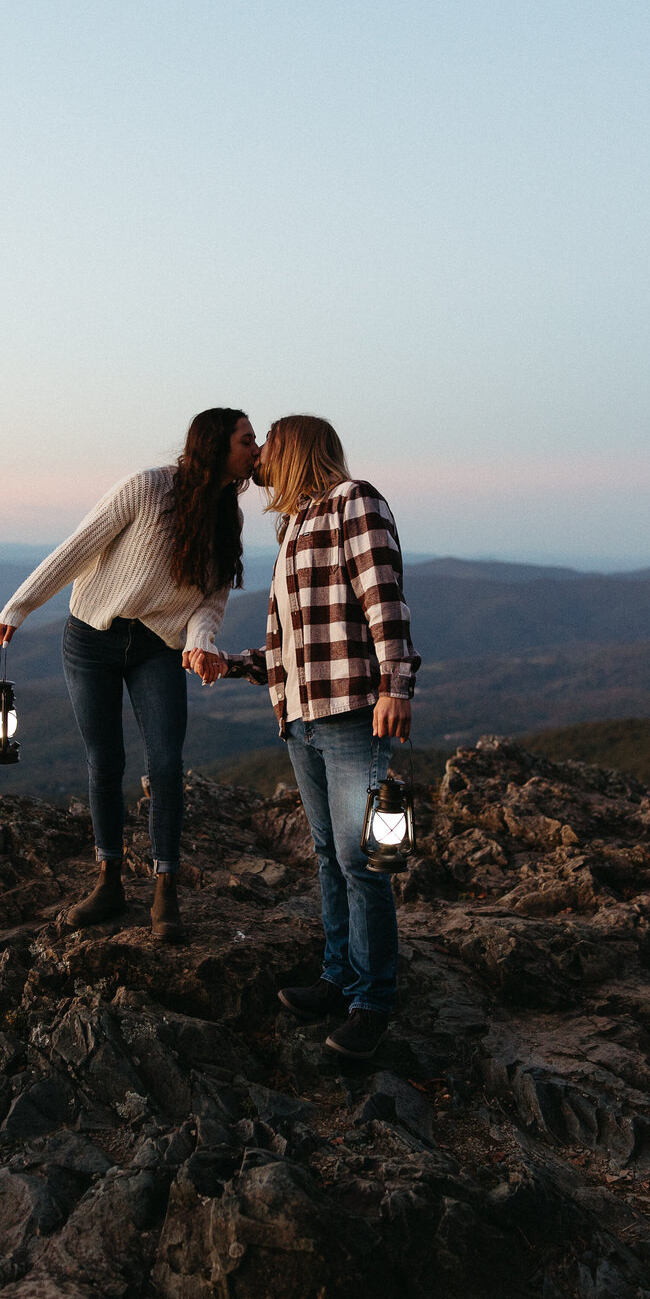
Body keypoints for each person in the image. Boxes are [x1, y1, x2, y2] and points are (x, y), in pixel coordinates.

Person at [196, 415, 419, 1057]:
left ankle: (372, 1002)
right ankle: (338, 976)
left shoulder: (355, 501)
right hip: (299, 716)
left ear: (295, 447)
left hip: (350, 711)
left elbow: (385, 600)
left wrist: (396, 686)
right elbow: (290, 646)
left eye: (268, 440)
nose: (259, 452)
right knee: (329, 855)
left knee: (359, 860)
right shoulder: (293, 525)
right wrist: (232, 664)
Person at [0, 408, 260, 940]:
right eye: (247, 440)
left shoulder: (227, 516)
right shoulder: (145, 489)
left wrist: (202, 642)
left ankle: (166, 889)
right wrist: (19, 607)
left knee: (165, 762)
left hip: (159, 647)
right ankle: (109, 880)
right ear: (215, 446)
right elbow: (80, 546)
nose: (256, 450)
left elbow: (211, 598)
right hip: (92, 636)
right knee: (105, 761)